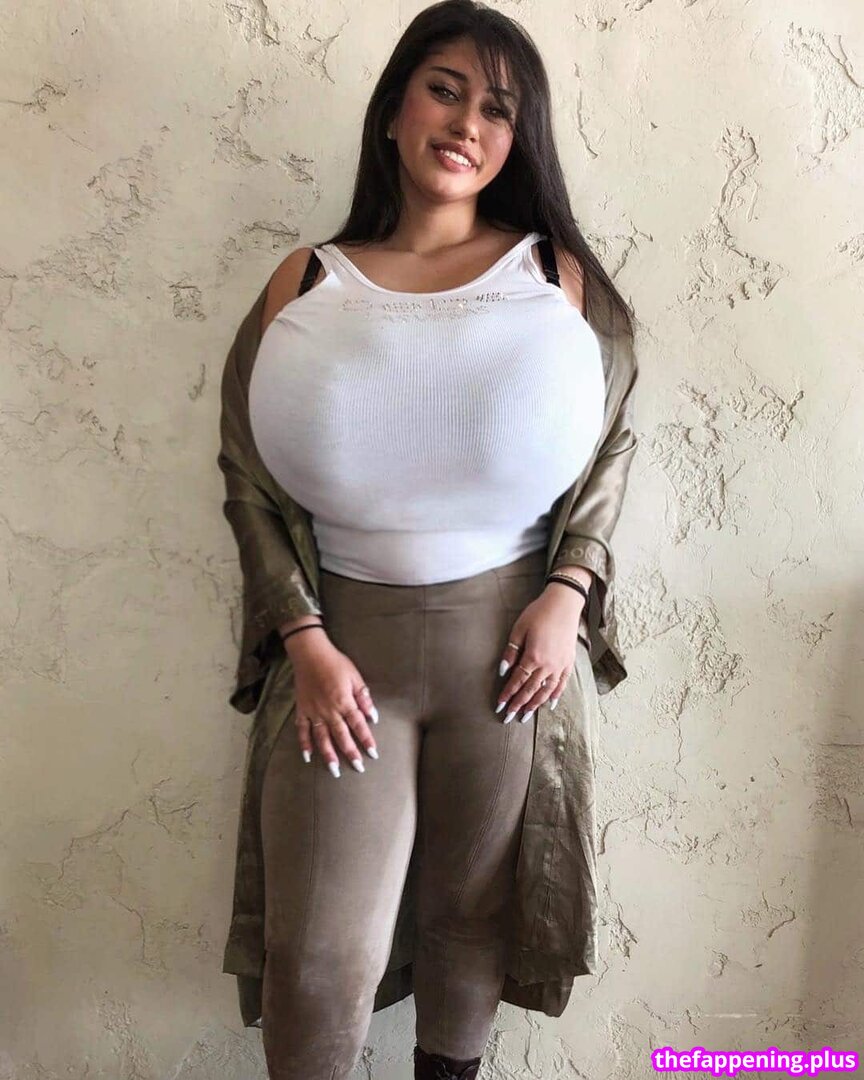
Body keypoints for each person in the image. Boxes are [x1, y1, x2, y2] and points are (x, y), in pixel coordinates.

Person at [217, 2, 640, 1077]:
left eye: (498, 109)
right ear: (395, 109)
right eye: (445, 90)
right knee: (320, 956)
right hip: (339, 661)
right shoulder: (304, 283)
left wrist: (569, 593)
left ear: (518, 140)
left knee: (473, 923)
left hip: (509, 659)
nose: (466, 124)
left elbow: (611, 444)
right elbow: (247, 478)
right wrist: (303, 640)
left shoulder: (557, 279)